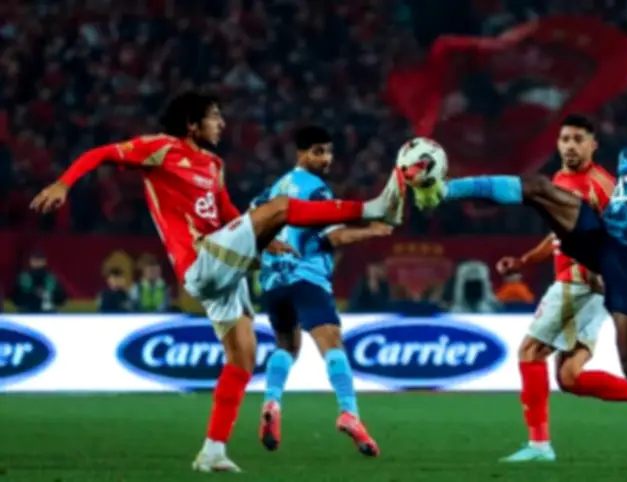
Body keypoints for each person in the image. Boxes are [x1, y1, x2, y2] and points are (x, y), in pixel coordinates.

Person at [29, 91, 406, 473]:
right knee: (279, 208)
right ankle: (372, 206)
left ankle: (212, 451)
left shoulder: (213, 164)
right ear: (192, 124)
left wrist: (264, 240)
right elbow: (102, 153)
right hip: (202, 258)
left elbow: (226, 212)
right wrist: (63, 184)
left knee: (243, 355)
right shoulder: (162, 148)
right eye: (214, 117)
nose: (222, 124)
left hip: (222, 267)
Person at [412, 89, 627, 473]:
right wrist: (544, 252)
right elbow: (619, 209)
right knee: (538, 188)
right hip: (605, 241)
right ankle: (443, 189)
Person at [494, 115, 627, 463]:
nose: (571, 146)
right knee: (570, 377)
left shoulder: (602, 186)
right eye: (565, 139)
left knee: (530, 352)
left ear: (593, 145)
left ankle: (539, 446)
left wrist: (608, 274)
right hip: (583, 286)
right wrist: (525, 261)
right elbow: (559, 236)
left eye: (578, 139)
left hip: (580, 283)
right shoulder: (560, 180)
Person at [252, 125, 391, 456]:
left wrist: (267, 247)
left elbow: (250, 221)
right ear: (301, 153)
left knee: (287, 346)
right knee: (332, 344)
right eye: (318, 152)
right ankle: (349, 412)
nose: (326, 158)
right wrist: (372, 230)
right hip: (306, 277)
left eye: (328, 151)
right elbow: (334, 236)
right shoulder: (316, 191)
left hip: (273, 281)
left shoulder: (275, 188)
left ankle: (272, 402)